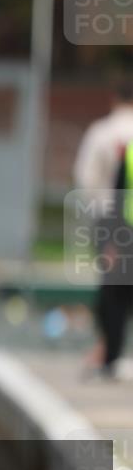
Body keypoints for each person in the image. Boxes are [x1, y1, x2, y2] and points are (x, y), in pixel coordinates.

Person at [74, 78, 133, 380]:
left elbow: (86, 180)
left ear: (114, 98)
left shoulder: (101, 133)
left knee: (113, 291)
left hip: (110, 221)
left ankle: (110, 355)